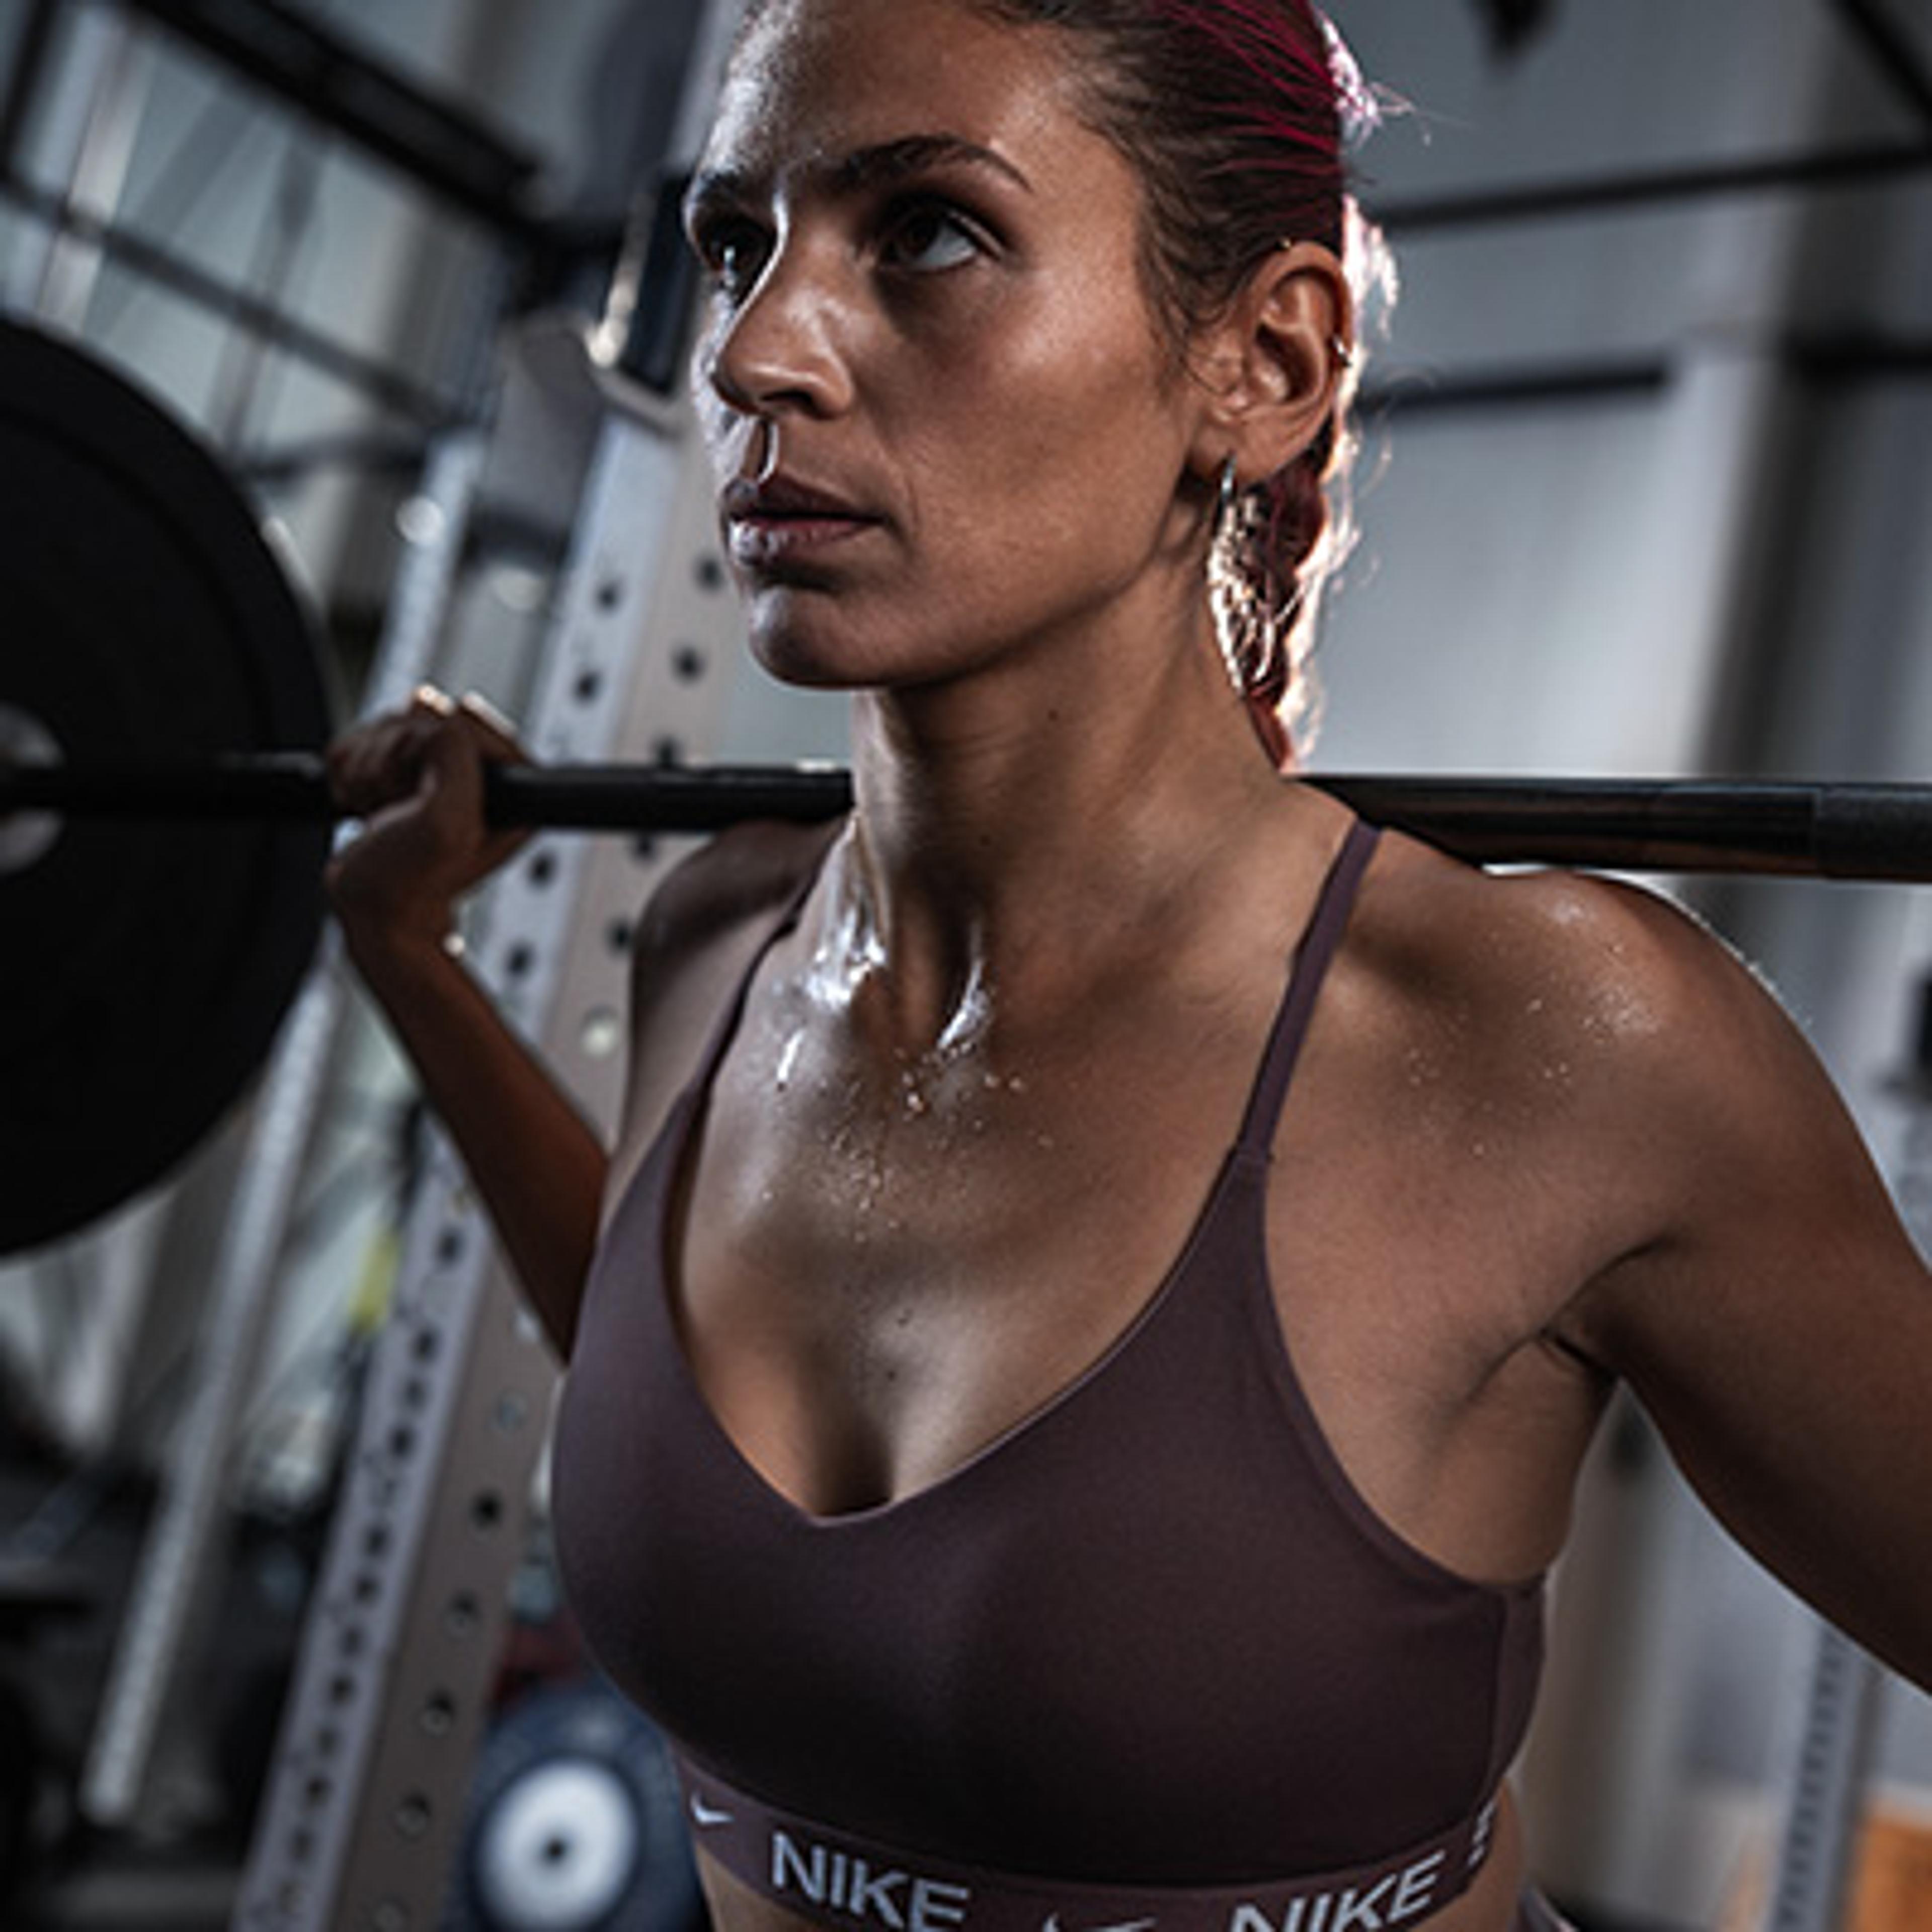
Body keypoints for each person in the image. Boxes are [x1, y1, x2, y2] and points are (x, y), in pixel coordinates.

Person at [324, 4, 1932, 1930]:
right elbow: (685, 1406)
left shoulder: (1552, 1048)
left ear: (1262, 363)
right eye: (736, 244)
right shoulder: (721, 938)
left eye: (923, 232)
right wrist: (409, 960)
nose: (754, 352)